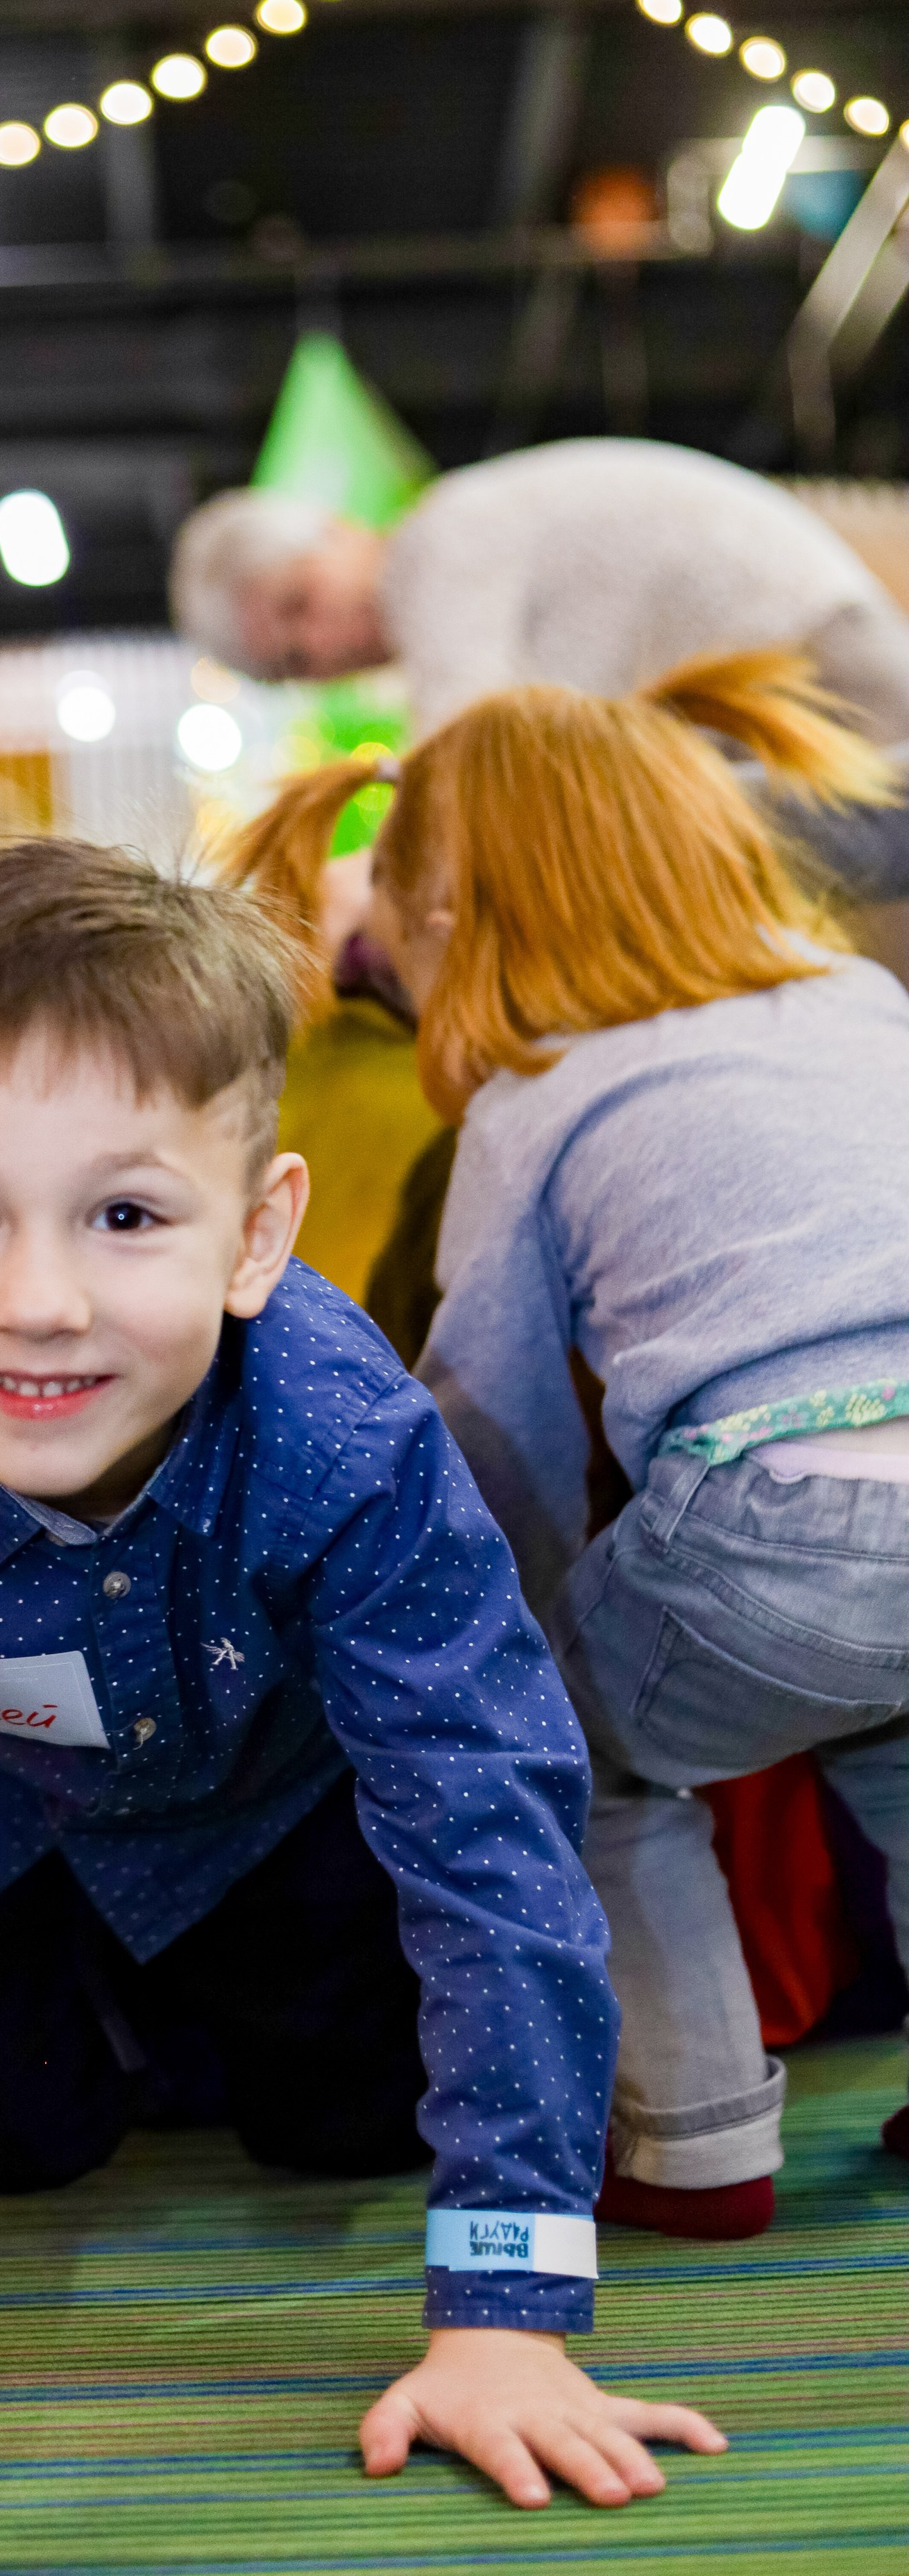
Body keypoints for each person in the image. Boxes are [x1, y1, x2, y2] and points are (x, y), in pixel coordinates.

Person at [0, 841, 729, 2513]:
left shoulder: (349, 1444)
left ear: (255, 1235)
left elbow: (485, 1818)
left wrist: (503, 2309)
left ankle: (189, 2016)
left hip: (270, 1812)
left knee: (351, 2123)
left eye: (124, 1215)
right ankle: (100, 2015)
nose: (37, 1303)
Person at [228, 649, 909, 2242]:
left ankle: (692, 2139)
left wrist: (478, 1640)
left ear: (450, 918)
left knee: (588, 1753)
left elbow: (489, 1424)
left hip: (773, 1516)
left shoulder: (535, 1089)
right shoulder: (862, 1000)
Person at [173, 438, 909, 952]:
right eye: (297, 660)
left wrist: (346, 891)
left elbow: (461, 767)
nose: (327, 642)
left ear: (337, 531)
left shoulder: (438, 547)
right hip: (771, 693)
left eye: (302, 601)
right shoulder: (453, 593)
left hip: (808, 663)